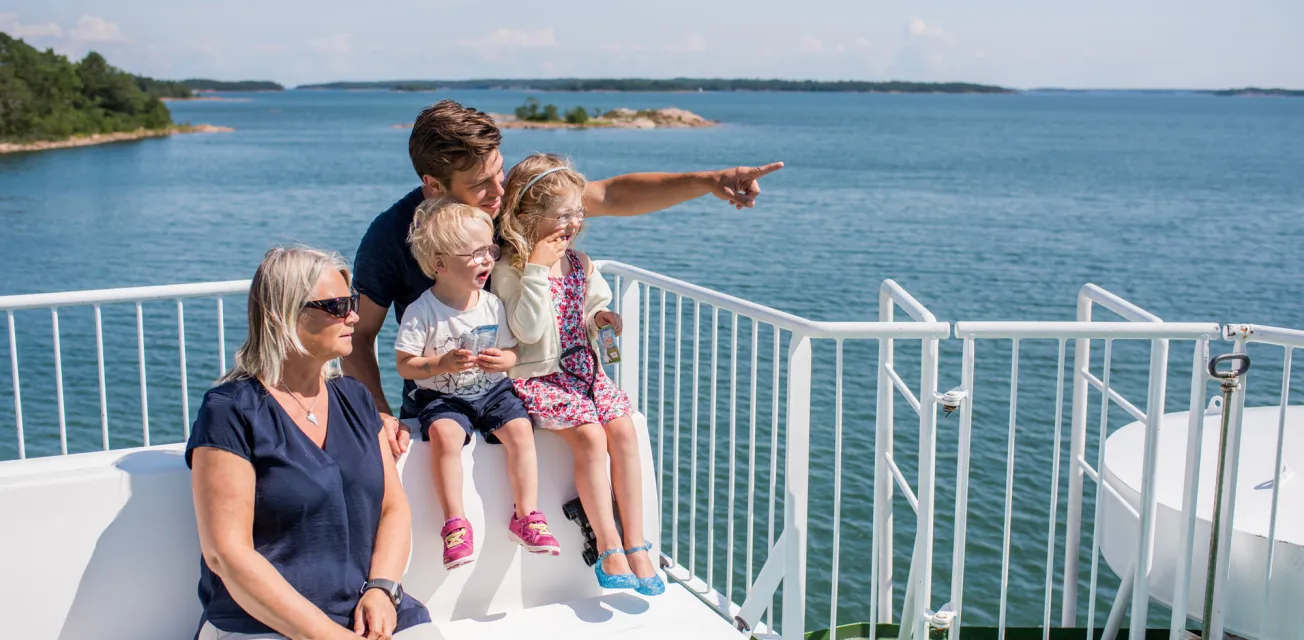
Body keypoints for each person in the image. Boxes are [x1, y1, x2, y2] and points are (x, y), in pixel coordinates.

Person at [345, 99, 783, 456]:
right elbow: (359, 338)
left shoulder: (511, 202)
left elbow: (609, 194)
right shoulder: (390, 237)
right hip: (444, 408)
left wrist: (710, 180)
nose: (500, 193)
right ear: (434, 184)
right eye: (482, 184)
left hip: (528, 394)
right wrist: (379, 413)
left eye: (500, 170)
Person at [185, 247, 441, 640]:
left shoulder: (355, 398)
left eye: (351, 302)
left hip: (368, 612)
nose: (353, 315)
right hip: (265, 624)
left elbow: (393, 508)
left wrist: (382, 589)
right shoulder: (230, 412)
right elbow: (227, 555)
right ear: (285, 314)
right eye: (337, 305)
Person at [491, 153, 662, 596]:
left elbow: (588, 308)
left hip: (584, 372)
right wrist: (535, 270)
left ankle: (636, 542)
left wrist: (602, 317)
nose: (574, 223)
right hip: (538, 378)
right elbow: (525, 330)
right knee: (589, 434)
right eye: (563, 214)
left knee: (621, 429)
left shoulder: (581, 263)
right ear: (527, 216)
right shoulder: (510, 270)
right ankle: (608, 546)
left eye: (578, 212)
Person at [395, 200, 559, 571]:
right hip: (443, 394)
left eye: (490, 250)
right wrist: (440, 363)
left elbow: (511, 349)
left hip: (492, 391)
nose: (487, 260)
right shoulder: (422, 311)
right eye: (475, 253)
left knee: (520, 430)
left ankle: (528, 515)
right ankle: (455, 522)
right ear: (439, 264)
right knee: (446, 437)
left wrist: (508, 360)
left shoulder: (491, 304)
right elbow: (405, 364)